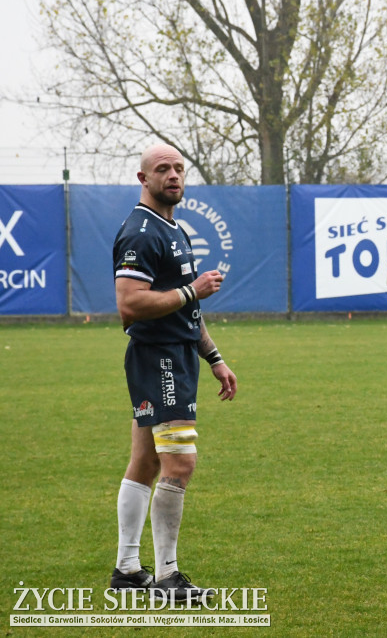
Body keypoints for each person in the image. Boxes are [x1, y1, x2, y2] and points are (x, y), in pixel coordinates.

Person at [110, 144, 238, 601]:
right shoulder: (142, 232)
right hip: (159, 357)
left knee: (145, 461)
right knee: (179, 463)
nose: (173, 175)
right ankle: (168, 576)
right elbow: (129, 303)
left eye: (179, 168)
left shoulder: (173, 228)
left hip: (175, 354)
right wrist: (192, 290)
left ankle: (127, 569)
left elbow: (185, 308)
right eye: (162, 169)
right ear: (143, 178)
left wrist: (214, 357)